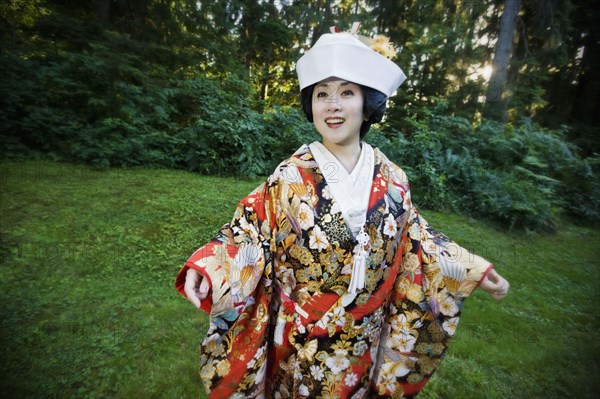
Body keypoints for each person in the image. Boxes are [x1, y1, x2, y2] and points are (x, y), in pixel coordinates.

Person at [175, 22, 509, 399]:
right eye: (322, 94)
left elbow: (419, 241)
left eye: (346, 92)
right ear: (311, 105)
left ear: (367, 105)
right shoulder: (289, 177)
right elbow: (250, 228)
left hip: (361, 345)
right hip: (300, 343)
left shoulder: (394, 180)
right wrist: (213, 267)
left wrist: (472, 269)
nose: (333, 104)